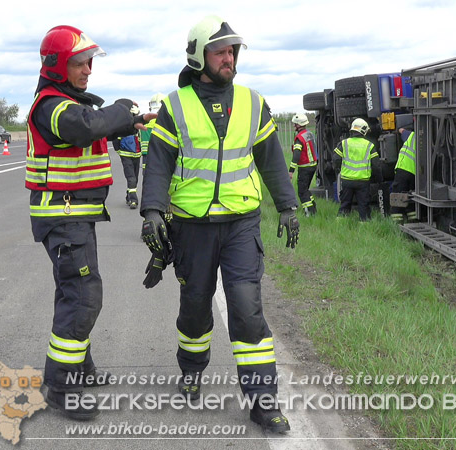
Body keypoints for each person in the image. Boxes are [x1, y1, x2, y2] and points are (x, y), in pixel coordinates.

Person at [139, 15, 299, 434]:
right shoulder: (175, 106)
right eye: (219, 52)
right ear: (198, 56)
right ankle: (191, 370)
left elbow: (271, 159)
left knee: (246, 307)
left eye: (232, 51)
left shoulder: (252, 102)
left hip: (242, 223)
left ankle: (263, 402)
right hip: (192, 226)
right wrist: (152, 210)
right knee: (195, 306)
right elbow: (158, 164)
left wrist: (288, 206)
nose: (228, 58)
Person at [25, 25, 155, 421]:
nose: (88, 70)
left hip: (75, 216)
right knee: (83, 296)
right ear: (57, 66)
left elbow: (94, 124)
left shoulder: (67, 102)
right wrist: (122, 110)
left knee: (74, 293)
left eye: (90, 63)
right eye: (79, 63)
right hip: (62, 216)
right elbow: (85, 127)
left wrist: (132, 121)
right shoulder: (52, 105)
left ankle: (79, 368)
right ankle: (61, 387)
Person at [333, 118, 381, 221]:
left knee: (345, 204)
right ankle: (364, 224)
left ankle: (340, 224)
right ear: (364, 130)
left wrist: (339, 170)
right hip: (363, 181)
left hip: (347, 180)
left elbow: (336, 159)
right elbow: (376, 165)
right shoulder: (369, 145)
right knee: (364, 205)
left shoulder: (344, 143)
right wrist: (379, 180)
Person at [288, 113, 318, 216]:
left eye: (295, 124)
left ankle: (309, 213)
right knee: (306, 189)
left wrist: (291, 171)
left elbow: (296, 155)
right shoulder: (309, 134)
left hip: (305, 168)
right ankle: (313, 208)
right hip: (313, 165)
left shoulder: (299, 138)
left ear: (299, 125)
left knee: (302, 192)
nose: (294, 126)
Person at [389, 127, 417, 223]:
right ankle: (413, 220)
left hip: (403, 169)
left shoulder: (411, 135)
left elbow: (402, 131)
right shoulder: (426, 140)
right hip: (414, 173)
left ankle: (396, 222)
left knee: (398, 195)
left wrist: (399, 129)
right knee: (411, 196)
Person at [139, 93, 166, 171]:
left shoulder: (144, 123)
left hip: (146, 157)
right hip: (161, 157)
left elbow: (139, 139)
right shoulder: (164, 123)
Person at [116, 133, 141, 208]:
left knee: (135, 178)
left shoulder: (137, 127)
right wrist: (119, 151)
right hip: (126, 155)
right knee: (131, 177)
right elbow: (116, 139)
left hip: (137, 155)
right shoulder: (122, 127)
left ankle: (129, 196)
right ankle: (133, 200)